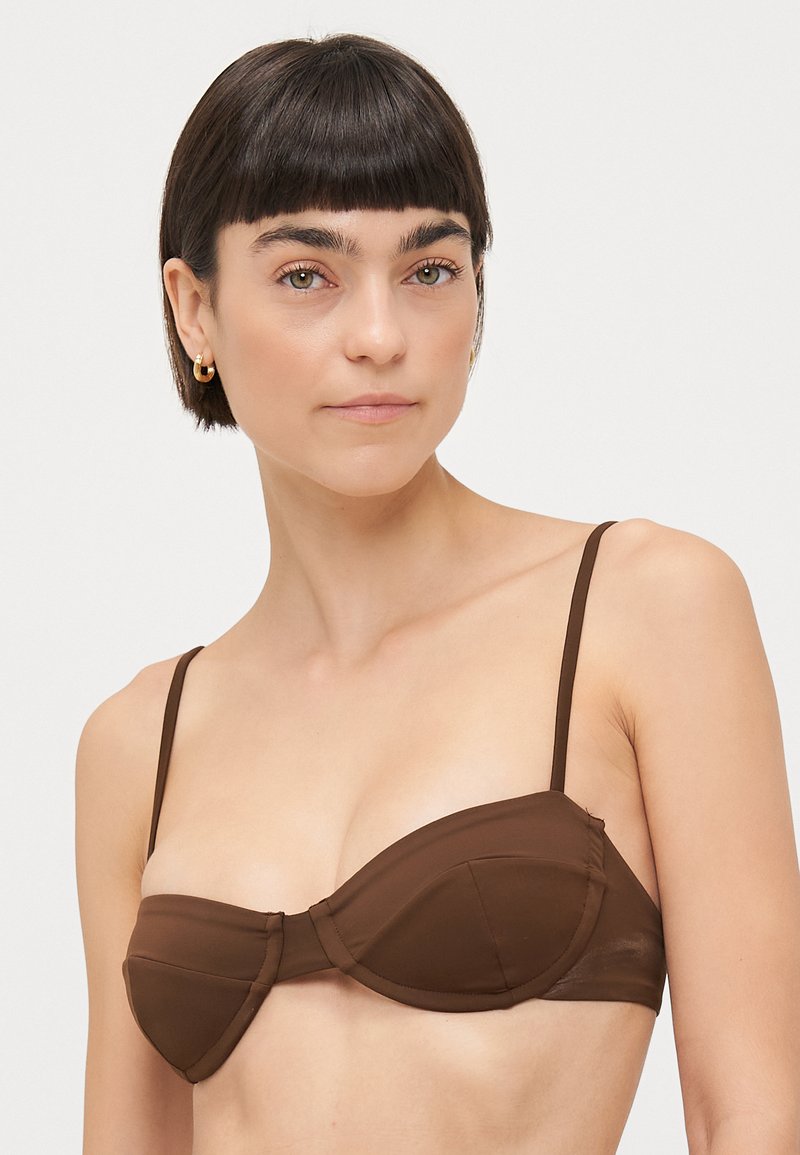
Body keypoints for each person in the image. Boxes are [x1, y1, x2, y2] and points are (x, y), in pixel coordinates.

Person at [75, 32, 800, 1155]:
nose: (380, 337)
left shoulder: (642, 609)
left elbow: (750, 1114)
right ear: (194, 308)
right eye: (306, 274)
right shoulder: (138, 741)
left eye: (428, 270)